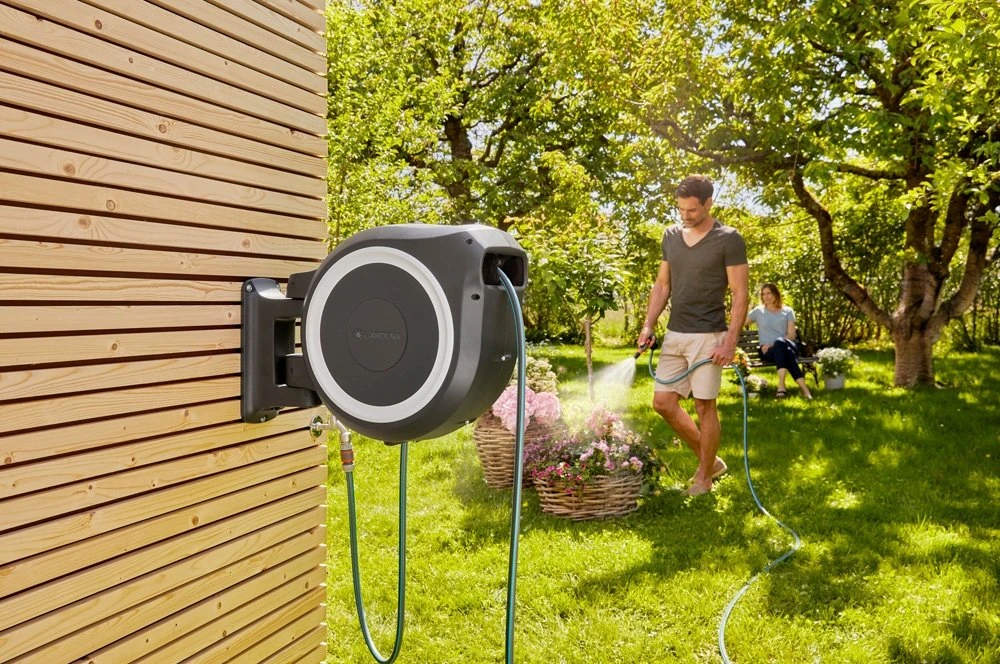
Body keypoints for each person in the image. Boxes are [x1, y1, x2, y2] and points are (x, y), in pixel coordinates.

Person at [636, 175, 749, 497]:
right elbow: (662, 285)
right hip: (676, 333)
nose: (685, 215)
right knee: (663, 403)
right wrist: (648, 325)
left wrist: (729, 342)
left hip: (708, 335)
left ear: (708, 204)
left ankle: (704, 478)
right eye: (681, 209)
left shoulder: (728, 239)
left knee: (704, 407)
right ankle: (711, 461)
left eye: (692, 210)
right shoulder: (671, 236)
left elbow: (740, 293)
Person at [746, 283, 812, 399]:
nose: (766, 296)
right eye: (763, 294)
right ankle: (805, 391)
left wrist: (774, 344)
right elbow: (741, 323)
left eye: (769, 293)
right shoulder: (758, 311)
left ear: (776, 294)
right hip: (768, 352)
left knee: (780, 344)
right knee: (788, 354)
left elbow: (791, 335)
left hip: (786, 344)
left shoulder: (787, 311)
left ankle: (781, 386)